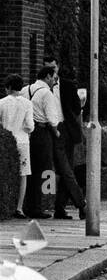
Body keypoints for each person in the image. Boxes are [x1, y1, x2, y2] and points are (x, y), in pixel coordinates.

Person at [21, 62, 61, 219]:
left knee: (29, 170)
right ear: (47, 76)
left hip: (27, 132)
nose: (54, 81)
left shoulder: (26, 89)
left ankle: (27, 205)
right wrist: (56, 130)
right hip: (43, 133)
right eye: (53, 77)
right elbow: (52, 119)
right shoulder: (47, 93)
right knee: (45, 170)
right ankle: (41, 205)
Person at [51, 67, 86, 220]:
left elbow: (77, 107)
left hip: (65, 129)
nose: (51, 71)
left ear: (58, 67)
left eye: (53, 67)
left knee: (67, 169)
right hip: (49, 130)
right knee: (65, 170)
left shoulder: (68, 85)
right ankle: (81, 204)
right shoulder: (41, 88)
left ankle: (60, 208)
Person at [0, 74, 35, 218]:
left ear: (8, 87)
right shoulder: (27, 103)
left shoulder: (1, 102)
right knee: (23, 174)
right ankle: (19, 207)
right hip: (22, 141)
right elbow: (30, 126)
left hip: (7, 140)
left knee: (5, 172)